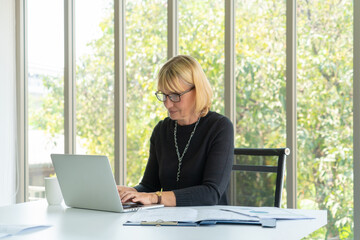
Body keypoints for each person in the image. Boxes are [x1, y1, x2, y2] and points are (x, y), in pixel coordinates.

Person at [118, 55, 234, 207]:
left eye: (174, 96)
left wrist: (155, 198)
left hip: (208, 225)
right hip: (170, 223)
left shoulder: (219, 127)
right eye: (164, 95)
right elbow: (149, 187)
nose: (167, 104)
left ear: (197, 90)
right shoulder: (161, 131)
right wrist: (129, 192)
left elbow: (211, 193)